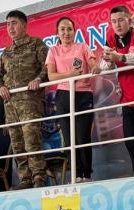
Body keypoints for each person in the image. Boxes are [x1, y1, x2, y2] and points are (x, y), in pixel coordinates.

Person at [0, 9, 50, 189]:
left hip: (30, 102)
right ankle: (25, 179)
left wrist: (38, 79)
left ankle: (39, 177)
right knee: (17, 144)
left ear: (24, 25)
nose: (10, 27)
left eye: (14, 23)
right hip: (11, 106)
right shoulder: (6, 52)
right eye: (8, 24)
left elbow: (48, 67)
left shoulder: (36, 44)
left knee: (32, 140)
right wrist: (0, 87)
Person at [101, 5, 134, 176]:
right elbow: (104, 65)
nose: (117, 25)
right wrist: (108, 61)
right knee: (130, 139)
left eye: (121, 20)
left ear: (129, 20)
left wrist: (120, 57)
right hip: (126, 95)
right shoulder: (110, 39)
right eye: (114, 21)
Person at [47, 17, 99, 182]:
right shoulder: (53, 50)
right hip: (63, 95)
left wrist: (95, 67)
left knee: (83, 137)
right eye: (62, 29)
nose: (66, 32)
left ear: (74, 32)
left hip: (83, 94)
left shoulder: (82, 46)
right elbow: (51, 76)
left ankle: (87, 175)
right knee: (70, 139)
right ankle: (76, 175)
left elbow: (92, 62)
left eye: (69, 29)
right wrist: (70, 74)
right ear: (57, 33)